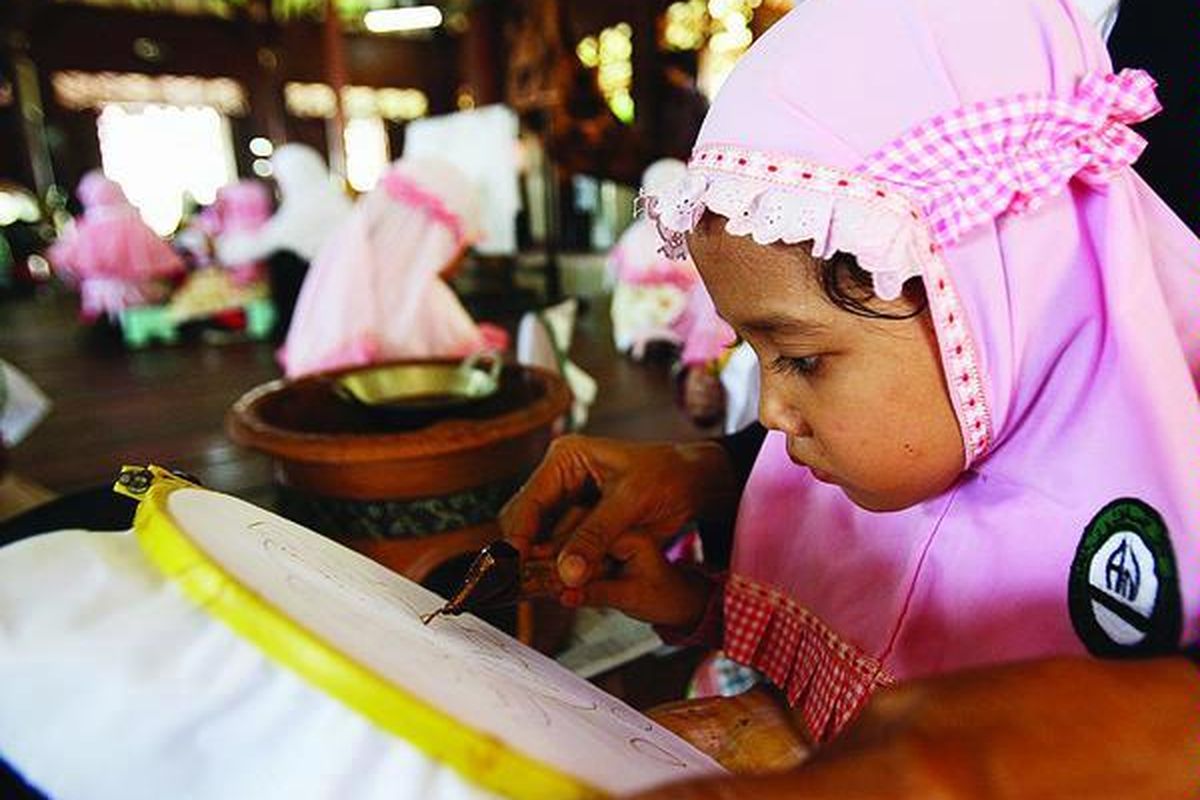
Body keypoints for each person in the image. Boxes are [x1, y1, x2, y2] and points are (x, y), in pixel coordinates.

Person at [500, 0, 1200, 786]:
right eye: (754, 352)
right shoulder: (940, 425)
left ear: (988, 310)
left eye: (800, 359)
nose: (766, 412)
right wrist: (698, 594)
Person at [278, 157, 506, 379]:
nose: (459, 259)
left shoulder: (335, 288)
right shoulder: (424, 297)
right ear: (432, 237)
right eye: (459, 244)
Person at [216, 144, 352, 340]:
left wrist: (221, 246)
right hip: (338, 290)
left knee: (283, 260)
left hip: (323, 297)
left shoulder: (304, 208)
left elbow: (259, 245)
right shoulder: (335, 200)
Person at [47, 171, 184, 322]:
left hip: (101, 299)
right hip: (142, 295)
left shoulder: (85, 228)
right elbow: (164, 260)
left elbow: (65, 262)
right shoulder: (137, 224)